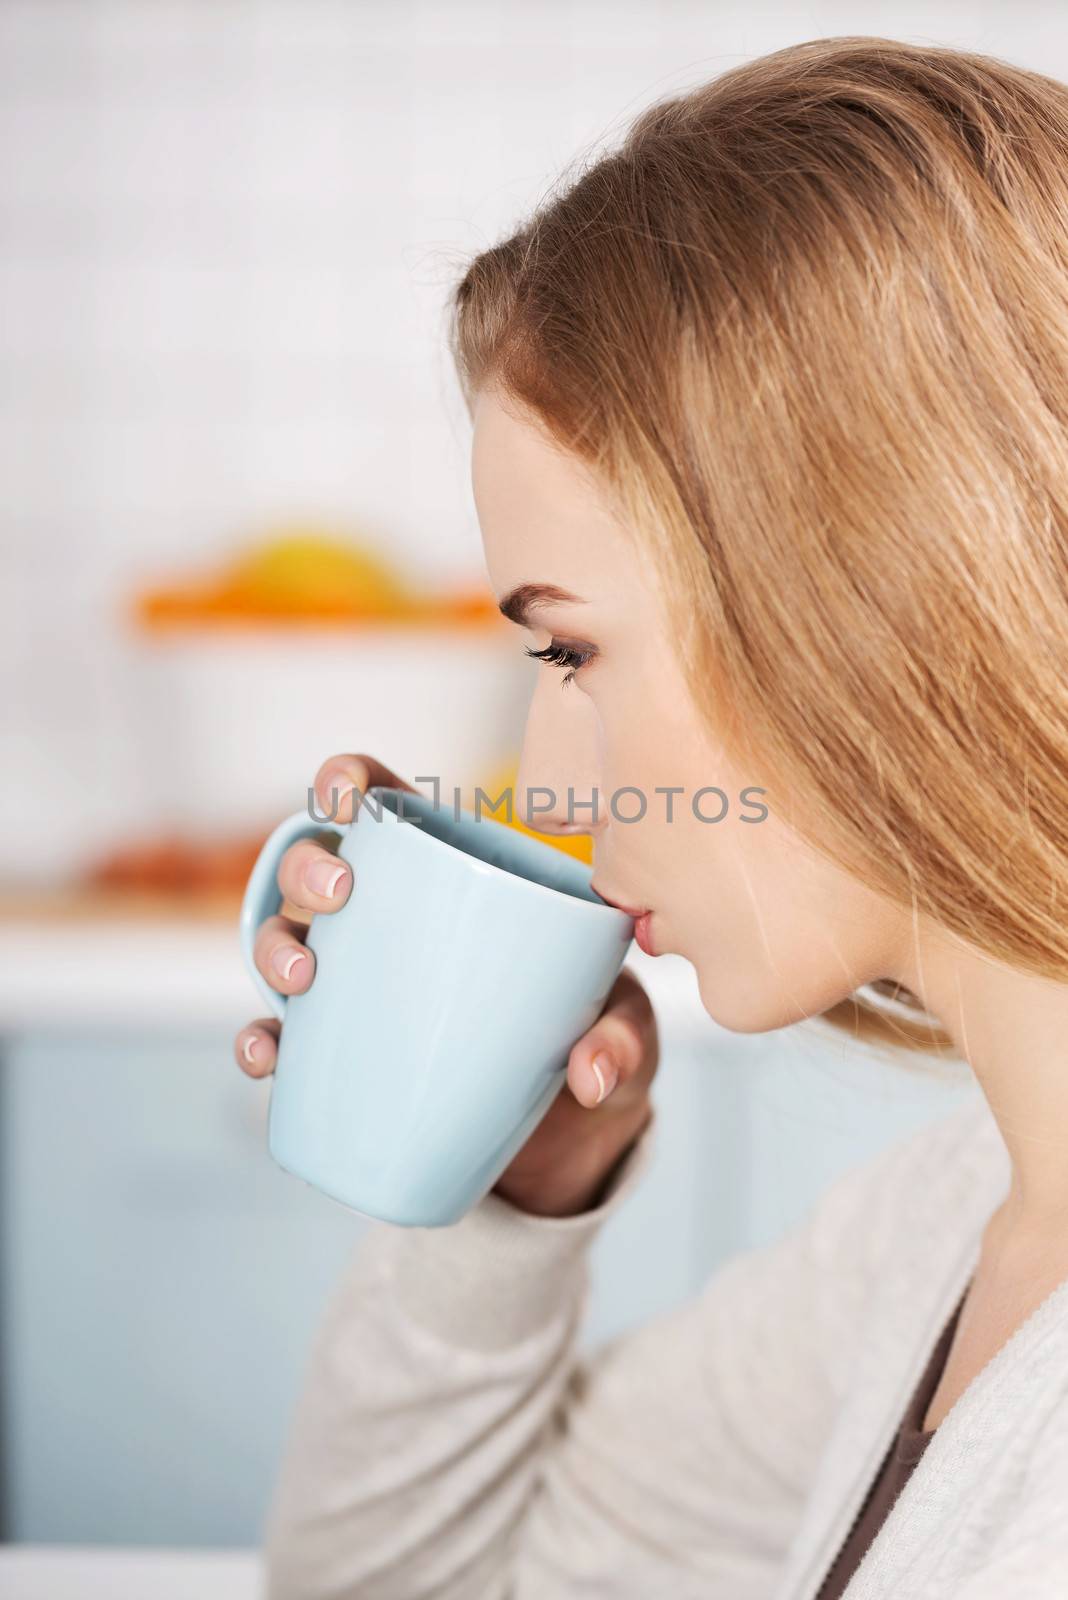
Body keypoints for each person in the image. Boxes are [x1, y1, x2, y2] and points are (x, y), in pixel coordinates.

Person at [233, 36, 1068, 1599]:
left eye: (572, 650)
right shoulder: (947, 1227)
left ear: (858, 580)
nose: (549, 793)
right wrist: (505, 1197)